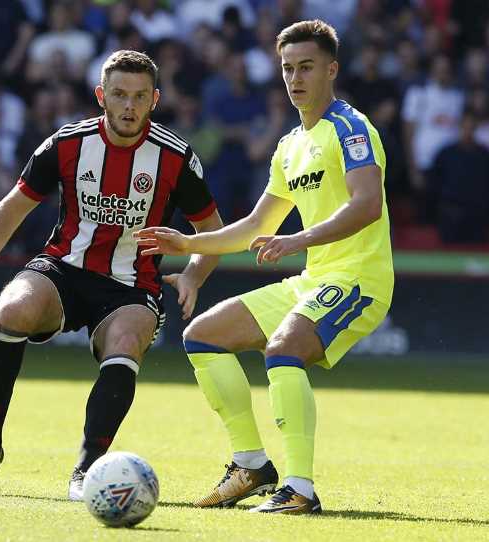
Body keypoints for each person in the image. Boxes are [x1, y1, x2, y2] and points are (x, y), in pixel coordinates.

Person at [135, 20, 392, 514]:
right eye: (288, 68)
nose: (295, 78)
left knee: (284, 349)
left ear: (332, 70)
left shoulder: (352, 128)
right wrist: (191, 243)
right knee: (203, 335)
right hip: (315, 280)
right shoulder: (290, 145)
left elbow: (367, 205)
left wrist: (299, 238)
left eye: (307, 67)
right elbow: (256, 224)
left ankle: (300, 488)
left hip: (359, 278)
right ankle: (251, 464)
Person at [0, 50, 223, 498]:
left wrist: (193, 275)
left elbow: (212, 230)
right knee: (10, 311)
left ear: (155, 99)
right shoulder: (67, 143)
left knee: (127, 342)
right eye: (119, 95)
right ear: (101, 97)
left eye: (138, 96)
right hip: (64, 268)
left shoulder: (174, 157)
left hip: (132, 286)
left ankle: (88, 471)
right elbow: (12, 206)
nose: (128, 106)